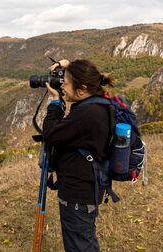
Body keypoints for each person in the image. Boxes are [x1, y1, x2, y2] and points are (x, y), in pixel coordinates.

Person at [42, 59, 114, 252]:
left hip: (78, 194)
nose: (62, 84)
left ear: (82, 89)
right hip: (86, 188)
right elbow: (83, 73)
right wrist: (66, 65)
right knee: (84, 241)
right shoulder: (98, 103)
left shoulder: (87, 114)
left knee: (80, 246)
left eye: (65, 80)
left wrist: (55, 103)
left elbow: (50, 133)